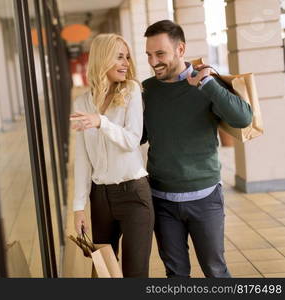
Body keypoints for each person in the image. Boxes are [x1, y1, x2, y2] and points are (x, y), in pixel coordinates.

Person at [142, 20, 253, 278]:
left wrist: (208, 84)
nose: (153, 61)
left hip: (205, 198)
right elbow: (139, 136)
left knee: (215, 270)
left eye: (160, 54)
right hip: (162, 200)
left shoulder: (206, 83)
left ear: (180, 49)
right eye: (149, 54)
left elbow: (243, 119)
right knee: (176, 274)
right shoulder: (147, 90)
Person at [71, 34, 154, 278]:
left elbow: (132, 140)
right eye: (119, 56)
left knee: (134, 274)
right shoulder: (83, 102)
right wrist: (78, 208)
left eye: (127, 57)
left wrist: (101, 122)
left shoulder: (131, 91)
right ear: (102, 58)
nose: (126, 63)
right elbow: (83, 158)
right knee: (103, 272)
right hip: (100, 199)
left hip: (134, 195)